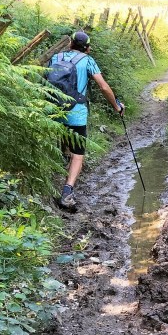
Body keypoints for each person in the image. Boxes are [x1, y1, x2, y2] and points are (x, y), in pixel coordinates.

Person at [49, 30, 123, 209]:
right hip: (76, 114)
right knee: (78, 155)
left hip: (54, 111)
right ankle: (67, 192)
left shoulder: (56, 57)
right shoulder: (88, 60)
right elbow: (103, 87)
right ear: (87, 48)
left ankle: (61, 168)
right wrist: (116, 106)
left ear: (70, 44)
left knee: (64, 140)